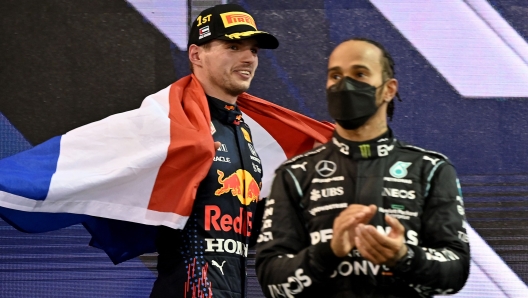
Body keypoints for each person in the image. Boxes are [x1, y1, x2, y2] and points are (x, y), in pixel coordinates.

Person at [255, 38, 470, 298]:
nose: (344, 85)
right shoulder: (295, 174)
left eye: (359, 74)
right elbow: (271, 281)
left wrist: (405, 257)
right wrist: (328, 251)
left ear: (389, 89)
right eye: (336, 76)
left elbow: (456, 270)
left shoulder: (431, 169)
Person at [149, 4, 280, 298]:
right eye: (234, 46)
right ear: (196, 55)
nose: (249, 58)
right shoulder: (169, 119)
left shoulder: (243, 129)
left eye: (254, 50)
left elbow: (242, 228)